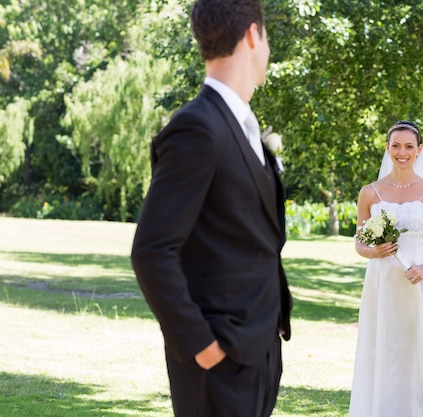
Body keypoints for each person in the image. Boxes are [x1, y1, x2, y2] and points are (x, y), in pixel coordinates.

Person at [130, 1, 292, 416]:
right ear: (253, 35)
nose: (268, 50)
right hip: (218, 363)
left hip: (259, 351)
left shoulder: (243, 124)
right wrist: (200, 346)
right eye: (268, 38)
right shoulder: (197, 127)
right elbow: (152, 250)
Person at [349, 120, 423, 416]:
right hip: (382, 283)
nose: (402, 152)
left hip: (419, 284)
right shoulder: (370, 193)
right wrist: (373, 251)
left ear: (419, 150)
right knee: (384, 349)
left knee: (420, 350)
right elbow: (358, 243)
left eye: (409, 146)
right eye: (396, 146)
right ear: (387, 148)